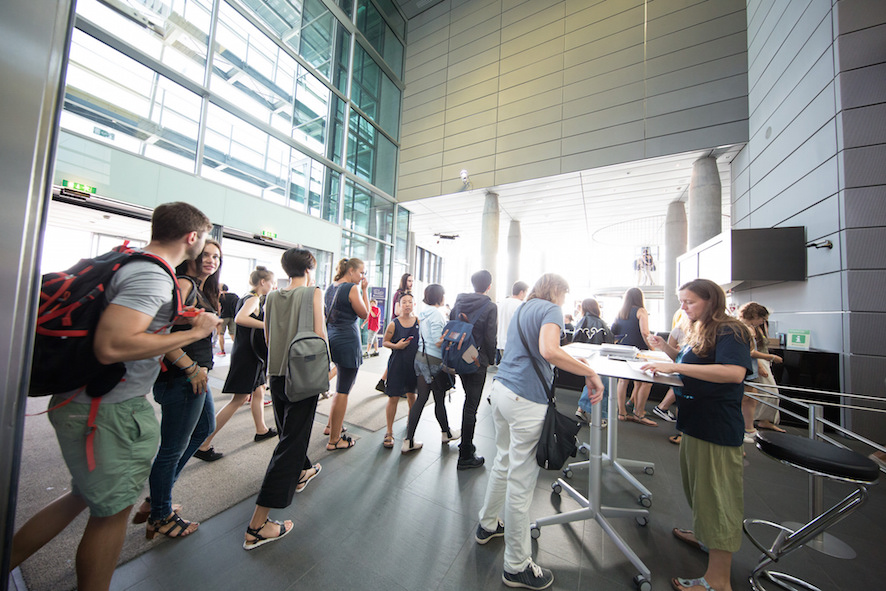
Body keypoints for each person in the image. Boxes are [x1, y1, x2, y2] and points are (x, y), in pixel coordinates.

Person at [10, 202, 220, 591]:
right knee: (110, 516)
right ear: (192, 236)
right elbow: (112, 344)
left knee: (82, 498)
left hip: (86, 402)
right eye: (204, 239)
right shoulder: (153, 277)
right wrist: (196, 332)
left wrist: (175, 319)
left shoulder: (130, 263)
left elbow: (117, 326)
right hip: (107, 411)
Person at [475, 273, 604, 591]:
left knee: (503, 462)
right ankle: (516, 566)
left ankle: (487, 524)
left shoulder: (524, 307)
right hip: (526, 400)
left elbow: (536, 349)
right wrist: (589, 371)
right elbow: (548, 350)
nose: (563, 300)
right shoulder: (551, 309)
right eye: (564, 294)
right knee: (521, 485)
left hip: (502, 391)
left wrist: (571, 358)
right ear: (557, 291)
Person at [643, 279, 753, 591]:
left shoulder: (731, 330)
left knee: (717, 498)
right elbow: (693, 361)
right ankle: (705, 536)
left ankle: (718, 579)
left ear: (710, 300)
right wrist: (666, 352)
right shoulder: (703, 328)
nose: (683, 307)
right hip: (697, 422)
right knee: (700, 492)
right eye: (682, 301)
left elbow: (733, 372)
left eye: (689, 301)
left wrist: (678, 370)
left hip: (716, 426)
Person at [243, 247, 324, 550]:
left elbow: (266, 338)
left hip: (276, 374)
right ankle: (257, 525)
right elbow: (319, 335)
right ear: (309, 270)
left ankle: (302, 471)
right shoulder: (314, 293)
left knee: (288, 435)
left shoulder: (271, 297)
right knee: (290, 443)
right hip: (303, 375)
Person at [143, 239, 223, 538]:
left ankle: (156, 499)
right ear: (192, 255)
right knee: (171, 448)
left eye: (216, 256)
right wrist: (189, 367)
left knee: (204, 430)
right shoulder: (185, 284)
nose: (211, 260)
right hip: (181, 377)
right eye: (205, 254)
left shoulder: (200, 288)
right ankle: (160, 514)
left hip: (196, 377)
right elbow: (159, 330)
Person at [195, 267, 277, 461]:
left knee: (258, 391)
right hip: (248, 356)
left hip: (249, 354)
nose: (273, 286)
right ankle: (203, 443)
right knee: (239, 399)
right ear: (262, 282)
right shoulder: (253, 298)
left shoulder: (247, 296)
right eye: (272, 282)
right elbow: (240, 319)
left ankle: (261, 429)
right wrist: (266, 325)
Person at [402, 284, 459, 453]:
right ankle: (443, 433)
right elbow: (437, 340)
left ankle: (414, 438)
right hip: (434, 360)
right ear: (438, 296)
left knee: (424, 398)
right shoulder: (436, 314)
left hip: (421, 357)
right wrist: (452, 336)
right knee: (437, 398)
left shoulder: (424, 312)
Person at [450, 269, 497, 470]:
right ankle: (465, 455)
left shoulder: (459, 302)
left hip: (459, 356)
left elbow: (451, 325)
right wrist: (490, 359)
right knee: (471, 406)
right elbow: (490, 337)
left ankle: (465, 444)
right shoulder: (490, 306)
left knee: (468, 401)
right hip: (478, 360)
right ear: (488, 286)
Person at [324, 258, 369, 451]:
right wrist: (365, 291)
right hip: (348, 341)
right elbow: (365, 313)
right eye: (361, 272)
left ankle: (330, 426)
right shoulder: (351, 288)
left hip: (333, 338)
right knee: (343, 390)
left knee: (341, 385)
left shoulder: (330, 288)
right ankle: (334, 440)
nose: (362, 277)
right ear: (350, 271)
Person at [738, 302, 784, 440]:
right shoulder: (745, 328)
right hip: (749, 366)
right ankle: (743, 429)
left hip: (750, 366)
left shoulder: (750, 328)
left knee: (752, 397)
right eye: (762, 319)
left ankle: (748, 428)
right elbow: (750, 351)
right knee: (748, 397)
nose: (763, 322)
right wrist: (768, 359)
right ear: (755, 315)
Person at [612, 287, 657, 426]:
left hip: (622, 349)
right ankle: (639, 413)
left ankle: (622, 412)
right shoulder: (641, 311)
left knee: (622, 381)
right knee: (646, 382)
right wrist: (652, 348)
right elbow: (645, 332)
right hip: (638, 350)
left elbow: (614, 332)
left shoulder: (621, 312)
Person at [381, 292, 419, 448]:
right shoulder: (394, 324)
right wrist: (396, 346)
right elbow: (385, 342)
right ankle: (389, 432)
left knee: (412, 396)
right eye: (404, 302)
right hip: (397, 365)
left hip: (413, 366)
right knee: (393, 398)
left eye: (410, 301)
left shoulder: (418, 322)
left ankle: (411, 424)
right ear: (399, 305)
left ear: (414, 304)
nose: (407, 304)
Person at [573, 297, 614, 425]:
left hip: (584, 359)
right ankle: (599, 418)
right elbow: (609, 342)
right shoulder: (602, 323)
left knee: (590, 382)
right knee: (603, 386)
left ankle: (582, 408)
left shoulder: (581, 322)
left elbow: (575, 340)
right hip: (599, 360)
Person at [377, 273, 414, 392]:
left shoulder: (405, 294)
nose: (411, 283)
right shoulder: (400, 294)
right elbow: (397, 311)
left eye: (412, 281)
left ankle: (382, 381)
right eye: (409, 281)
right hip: (399, 327)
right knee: (397, 357)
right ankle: (388, 383)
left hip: (404, 325)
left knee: (397, 357)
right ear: (404, 281)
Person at [496, 280, 527, 364]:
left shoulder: (501, 303)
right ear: (521, 292)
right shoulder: (520, 305)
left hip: (501, 342)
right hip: (514, 344)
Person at [217, 283, 239, 356]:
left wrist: (218, 316)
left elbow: (218, 307)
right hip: (233, 317)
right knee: (232, 334)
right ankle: (238, 349)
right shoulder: (234, 296)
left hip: (223, 317)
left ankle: (222, 351)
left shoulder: (221, 296)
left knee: (221, 334)